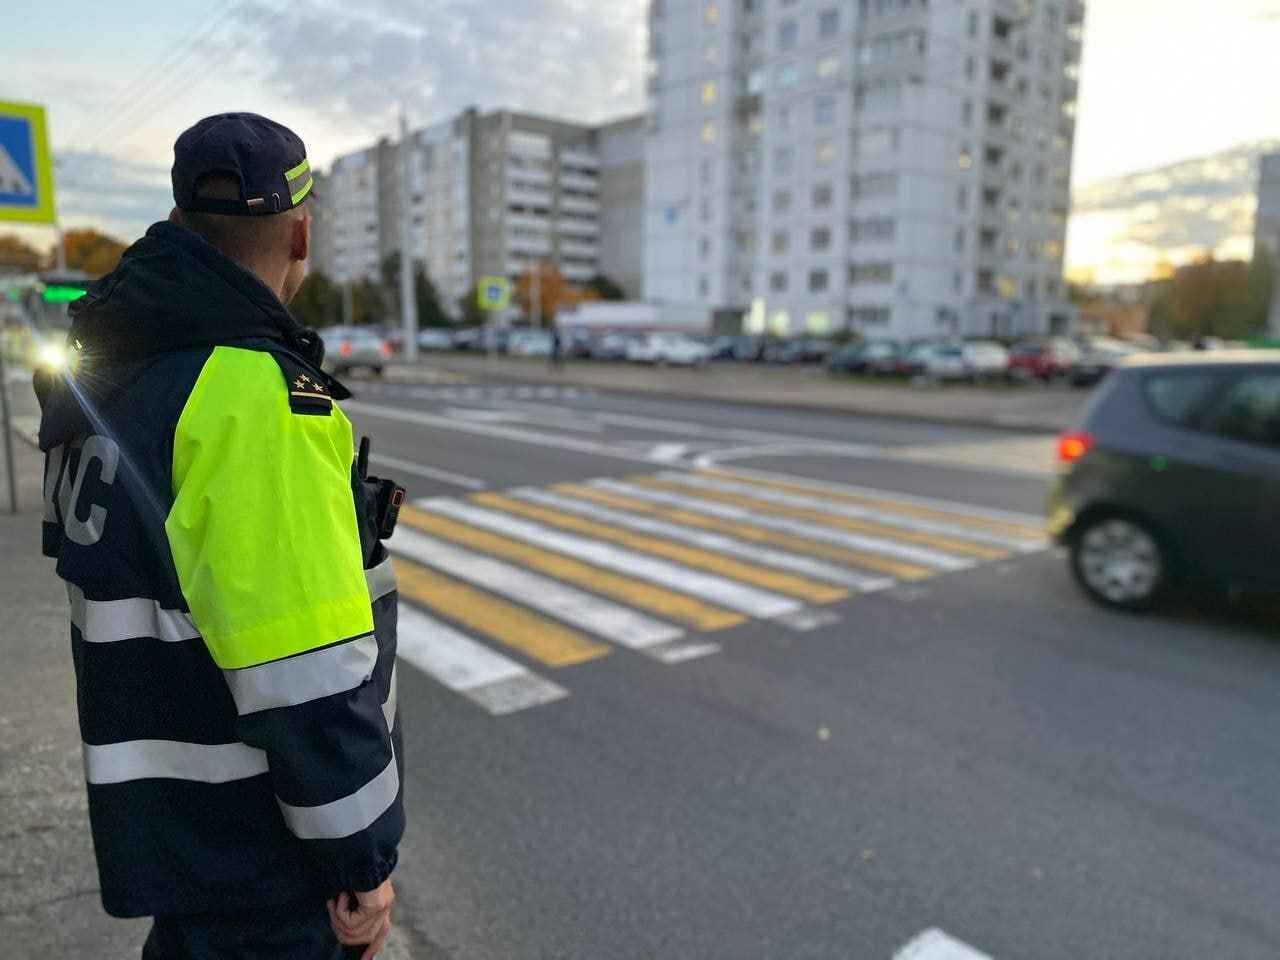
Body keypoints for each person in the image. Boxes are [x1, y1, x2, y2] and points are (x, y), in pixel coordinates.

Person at [34, 113, 405, 959]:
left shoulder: (106, 371)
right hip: (264, 859)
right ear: (301, 233)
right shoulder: (254, 398)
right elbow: (305, 676)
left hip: (175, 836)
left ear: (174, 225)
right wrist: (361, 859)